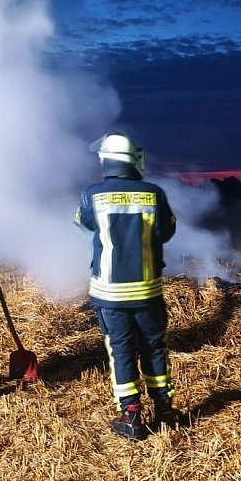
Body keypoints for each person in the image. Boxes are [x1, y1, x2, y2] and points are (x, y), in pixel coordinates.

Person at [74, 131, 177, 440]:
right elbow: (167, 231)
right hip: (147, 291)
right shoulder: (154, 194)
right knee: (154, 348)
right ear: (134, 160)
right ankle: (165, 410)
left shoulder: (92, 195)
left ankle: (131, 416)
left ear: (105, 161)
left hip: (110, 294)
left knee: (120, 350)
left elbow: (83, 222)